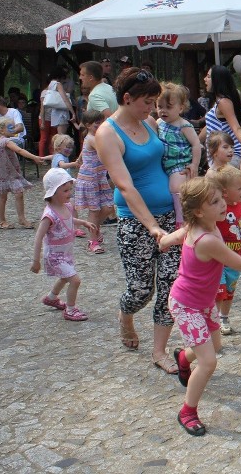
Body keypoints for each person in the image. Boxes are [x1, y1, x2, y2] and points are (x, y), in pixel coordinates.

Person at [161, 177, 241, 436]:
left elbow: (172, 238)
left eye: (221, 198)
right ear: (198, 211)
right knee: (208, 362)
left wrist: (163, 241)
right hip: (186, 306)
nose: (223, 204)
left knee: (215, 345)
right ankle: (187, 411)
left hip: (203, 303)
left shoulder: (199, 226)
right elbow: (240, 264)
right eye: (215, 201)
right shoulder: (206, 239)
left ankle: (183, 358)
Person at [95, 67, 181, 371]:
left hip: (169, 214)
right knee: (141, 289)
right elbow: (124, 185)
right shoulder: (106, 133)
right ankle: (126, 313)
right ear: (127, 98)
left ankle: (159, 350)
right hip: (135, 221)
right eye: (147, 101)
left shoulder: (150, 122)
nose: (152, 107)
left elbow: (170, 158)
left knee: (171, 283)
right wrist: (152, 226)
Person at [32, 168, 97, 322]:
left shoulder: (66, 206)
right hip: (54, 256)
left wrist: (83, 222)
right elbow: (38, 237)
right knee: (75, 280)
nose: (70, 193)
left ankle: (51, 298)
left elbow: (68, 219)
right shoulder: (49, 215)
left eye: (70, 189)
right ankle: (70, 309)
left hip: (66, 253)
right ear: (53, 192)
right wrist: (36, 260)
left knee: (64, 277)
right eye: (66, 190)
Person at [203, 65, 241, 219]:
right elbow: (208, 127)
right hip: (217, 154)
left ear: (217, 80)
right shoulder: (218, 101)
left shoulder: (223, 101)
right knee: (223, 196)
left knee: (222, 196)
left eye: (208, 76)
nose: (205, 79)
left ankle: (239, 227)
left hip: (226, 154)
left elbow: (236, 128)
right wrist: (194, 144)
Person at [204, 165, 241, 335]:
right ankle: (213, 321)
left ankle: (224, 317)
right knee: (218, 292)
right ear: (225, 192)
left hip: (235, 257)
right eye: (239, 188)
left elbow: (239, 221)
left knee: (229, 291)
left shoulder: (239, 205)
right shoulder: (219, 208)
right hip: (218, 259)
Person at [0, 116, 46, 229]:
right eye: (11, 127)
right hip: (3, 174)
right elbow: (19, 150)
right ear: (2, 130)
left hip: (11, 173)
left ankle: (22, 219)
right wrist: (34, 157)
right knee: (3, 197)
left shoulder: (1, 141)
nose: (14, 129)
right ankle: (2, 221)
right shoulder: (5, 141)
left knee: (19, 194)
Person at [157, 82, 201, 227]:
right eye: (160, 106)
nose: (163, 111)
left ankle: (181, 219)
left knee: (176, 188)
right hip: (164, 163)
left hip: (179, 164)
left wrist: (194, 164)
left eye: (168, 107)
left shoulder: (184, 125)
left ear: (181, 108)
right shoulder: (158, 123)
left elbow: (196, 145)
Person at [74, 110, 115, 254]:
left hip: (99, 178)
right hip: (90, 179)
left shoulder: (92, 137)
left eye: (101, 122)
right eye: (96, 123)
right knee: (95, 210)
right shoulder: (93, 138)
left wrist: (79, 158)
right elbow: (105, 151)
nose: (100, 125)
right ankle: (93, 241)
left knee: (109, 207)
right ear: (88, 125)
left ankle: (94, 228)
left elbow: (85, 150)